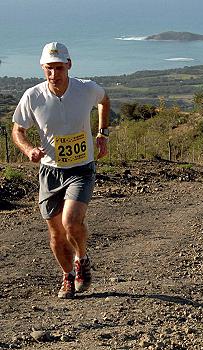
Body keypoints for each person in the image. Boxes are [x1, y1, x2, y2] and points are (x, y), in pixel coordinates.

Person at [11, 42, 110, 299]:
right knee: (56, 233)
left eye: (58, 67)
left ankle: (82, 258)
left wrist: (103, 133)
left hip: (81, 168)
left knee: (71, 222)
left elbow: (105, 100)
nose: (54, 74)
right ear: (42, 68)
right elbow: (17, 130)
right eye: (48, 68)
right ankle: (67, 275)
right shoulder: (33, 96)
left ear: (69, 64)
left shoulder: (86, 89)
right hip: (50, 172)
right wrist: (29, 150)